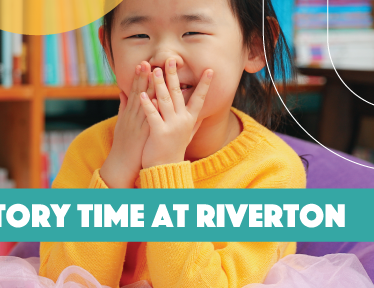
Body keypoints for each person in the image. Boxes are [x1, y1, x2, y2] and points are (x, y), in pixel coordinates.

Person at [40, 0, 306, 287]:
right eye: (139, 35)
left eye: (192, 32)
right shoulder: (91, 150)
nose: (164, 56)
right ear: (109, 50)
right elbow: (63, 279)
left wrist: (165, 168)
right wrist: (117, 170)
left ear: (256, 45)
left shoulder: (272, 170)